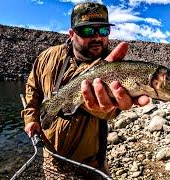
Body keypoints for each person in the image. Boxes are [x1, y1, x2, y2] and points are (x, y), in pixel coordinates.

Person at [21, 2, 150, 175]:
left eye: (103, 31)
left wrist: (105, 108)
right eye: (88, 31)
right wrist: (31, 118)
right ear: (72, 34)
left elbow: (111, 111)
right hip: (51, 158)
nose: (97, 37)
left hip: (92, 165)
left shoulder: (113, 66)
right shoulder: (47, 57)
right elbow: (33, 88)